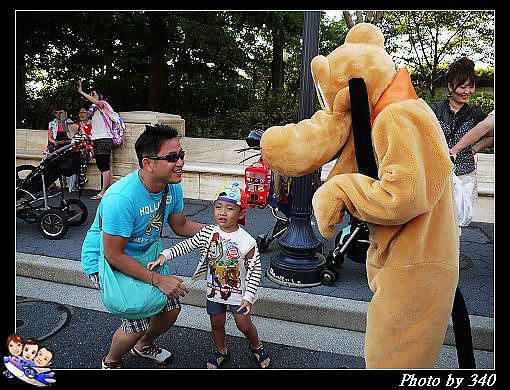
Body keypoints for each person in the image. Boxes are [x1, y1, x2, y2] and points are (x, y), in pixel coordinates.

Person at [81, 123, 206, 369]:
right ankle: (111, 361)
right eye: (172, 158)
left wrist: (221, 233)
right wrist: (157, 280)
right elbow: (113, 255)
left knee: (170, 310)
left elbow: (180, 226)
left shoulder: (172, 186)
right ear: (148, 163)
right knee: (137, 321)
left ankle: (142, 345)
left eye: (180, 155)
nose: (180, 162)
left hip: (144, 255)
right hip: (105, 261)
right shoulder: (120, 199)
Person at [147, 182, 270, 369]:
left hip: (239, 294)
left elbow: (255, 269)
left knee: (244, 325)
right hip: (215, 290)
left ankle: (257, 346)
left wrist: (249, 297)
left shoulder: (247, 241)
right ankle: (221, 351)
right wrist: (166, 255)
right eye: (218, 207)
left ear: (241, 214)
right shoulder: (208, 232)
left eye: (230, 208)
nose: (222, 212)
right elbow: (188, 245)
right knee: (216, 322)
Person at [429, 57, 488, 200]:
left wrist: (474, 149)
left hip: (465, 176)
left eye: (471, 86)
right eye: (462, 87)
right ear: (450, 87)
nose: (467, 91)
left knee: (462, 218)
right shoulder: (433, 110)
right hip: (436, 173)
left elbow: (492, 135)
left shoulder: (476, 115)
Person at [77, 80, 114, 200]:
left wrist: (82, 92)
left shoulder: (103, 104)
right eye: (91, 93)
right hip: (98, 139)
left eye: (94, 93)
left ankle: (104, 191)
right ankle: (109, 189)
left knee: (103, 165)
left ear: (100, 95)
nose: (92, 95)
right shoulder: (95, 110)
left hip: (104, 139)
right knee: (101, 165)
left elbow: (97, 103)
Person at [45, 106, 76, 190]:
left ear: (65, 113)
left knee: (65, 162)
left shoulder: (70, 122)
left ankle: (66, 183)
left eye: (61, 112)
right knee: (48, 161)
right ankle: (51, 182)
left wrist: (65, 142)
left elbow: (72, 137)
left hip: (67, 145)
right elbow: (50, 137)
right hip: (56, 145)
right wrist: (54, 141)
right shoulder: (52, 123)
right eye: (56, 112)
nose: (58, 114)